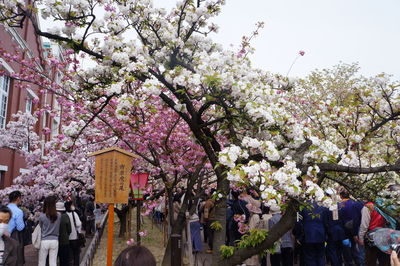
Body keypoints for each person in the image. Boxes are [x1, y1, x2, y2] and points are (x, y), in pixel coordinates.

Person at [358, 200, 390, 266]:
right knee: (384, 260)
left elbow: (364, 225)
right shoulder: (383, 205)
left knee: (371, 260)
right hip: (383, 234)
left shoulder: (367, 207)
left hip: (371, 236)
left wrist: (361, 237)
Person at [300, 202, 328, 266]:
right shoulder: (323, 208)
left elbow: (299, 222)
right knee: (320, 256)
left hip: (308, 234)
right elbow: (326, 222)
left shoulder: (304, 207)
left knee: (310, 257)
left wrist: (299, 235)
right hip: (321, 234)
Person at [38, 196, 61, 266]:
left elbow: (40, 227)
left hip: (44, 240)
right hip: (55, 240)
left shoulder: (42, 216)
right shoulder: (59, 215)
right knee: (53, 262)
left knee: (42, 262)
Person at [7, 191, 25, 265]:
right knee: (15, 260)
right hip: (13, 237)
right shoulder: (18, 211)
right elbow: (20, 227)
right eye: (21, 198)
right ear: (18, 198)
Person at [65, 201, 82, 266]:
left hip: (67, 238)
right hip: (75, 237)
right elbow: (78, 224)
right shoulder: (74, 214)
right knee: (76, 253)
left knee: (69, 254)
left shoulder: (64, 214)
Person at [56, 201, 71, 266]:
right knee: (64, 260)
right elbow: (69, 230)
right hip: (64, 240)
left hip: (55, 240)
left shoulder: (53, 216)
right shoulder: (65, 216)